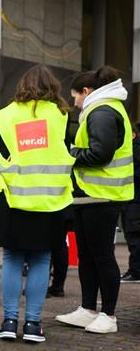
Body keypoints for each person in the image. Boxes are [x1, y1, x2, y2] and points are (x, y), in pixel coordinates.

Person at [0, 64, 74, 343]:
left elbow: (1, 156)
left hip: (14, 198)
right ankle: (33, 325)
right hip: (50, 199)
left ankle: (9, 320)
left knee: (12, 259)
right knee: (42, 259)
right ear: (53, 87)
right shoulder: (61, 116)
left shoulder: (5, 116)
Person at [55, 67, 134, 333]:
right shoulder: (103, 110)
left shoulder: (101, 111)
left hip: (102, 197)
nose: (74, 103)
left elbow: (100, 154)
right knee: (89, 256)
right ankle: (88, 309)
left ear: (86, 92)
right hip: (92, 197)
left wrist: (70, 153)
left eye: (75, 96)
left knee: (101, 256)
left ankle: (108, 315)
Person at [120, 122, 140, 283]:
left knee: (134, 235)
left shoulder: (135, 150)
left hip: (134, 200)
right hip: (131, 199)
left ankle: (135, 271)